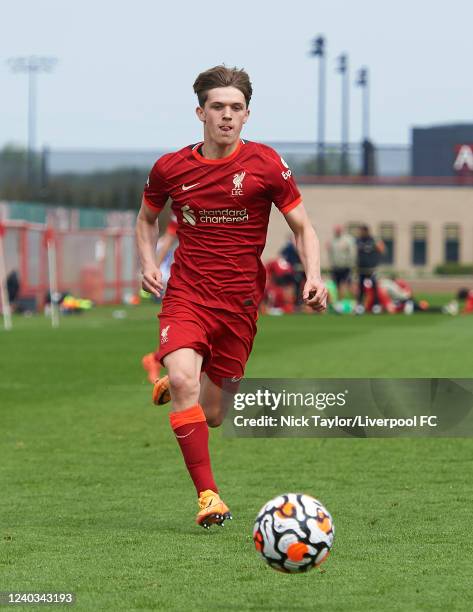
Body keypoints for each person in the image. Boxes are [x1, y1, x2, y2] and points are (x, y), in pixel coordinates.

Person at [135, 65, 327, 529]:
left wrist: (314, 275)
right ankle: (208, 496)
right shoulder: (170, 168)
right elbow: (146, 219)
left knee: (215, 414)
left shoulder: (266, 165)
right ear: (200, 111)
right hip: (187, 295)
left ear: (247, 116)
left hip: (240, 304)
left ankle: (178, 380)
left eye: (235, 108)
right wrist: (146, 263)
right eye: (217, 107)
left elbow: (302, 227)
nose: (226, 115)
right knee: (184, 383)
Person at [141, 214, 179, 383]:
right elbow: (169, 240)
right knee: (181, 327)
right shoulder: (187, 202)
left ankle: (155, 359)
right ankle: (156, 359)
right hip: (176, 275)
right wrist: (154, 269)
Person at [356, 225, 385, 311]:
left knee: (374, 287)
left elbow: (381, 250)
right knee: (361, 288)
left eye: (362, 231)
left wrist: (376, 261)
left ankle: (376, 305)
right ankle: (360, 305)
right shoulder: (358, 240)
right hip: (361, 269)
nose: (360, 233)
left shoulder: (373, 240)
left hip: (371, 269)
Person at [327, 225, 357, 299]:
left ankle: (356, 300)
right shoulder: (333, 241)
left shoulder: (347, 240)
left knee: (348, 284)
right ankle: (339, 301)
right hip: (336, 267)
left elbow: (352, 253)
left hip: (346, 267)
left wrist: (351, 264)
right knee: (337, 285)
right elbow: (331, 254)